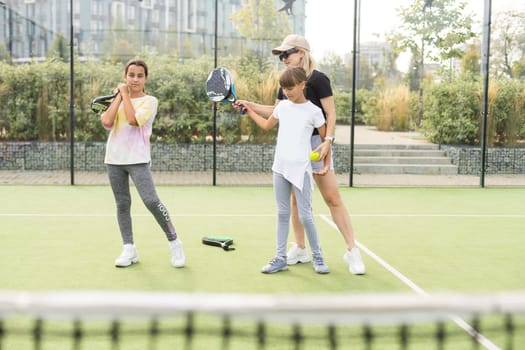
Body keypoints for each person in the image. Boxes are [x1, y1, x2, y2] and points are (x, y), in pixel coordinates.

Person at [235, 34, 365, 275]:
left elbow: (331, 113)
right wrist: (249, 105)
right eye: (281, 56)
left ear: (302, 53)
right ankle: (301, 248)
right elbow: (277, 112)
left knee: (332, 198)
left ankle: (352, 251)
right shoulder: (287, 82)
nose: (283, 59)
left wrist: (327, 143)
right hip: (294, 147)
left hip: (317, 143)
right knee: (295, 201)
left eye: (287, 54)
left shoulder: (318, 79)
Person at [243, 66, 330, 274]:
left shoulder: (315, 112)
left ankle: (318, 258)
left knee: (306, 215)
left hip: (301, 170)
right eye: (283, 88)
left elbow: (325, 143)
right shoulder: (282, 107)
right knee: (283, 213)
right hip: (280, 168)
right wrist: (249, 111)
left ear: (302, 85)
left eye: (290, 88)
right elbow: (266, 126)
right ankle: (280, 258)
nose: (287, 92)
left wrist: (326, 164)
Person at [100, 59, 185, 268]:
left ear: (145, 78)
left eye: (139, 75)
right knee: (122, 204)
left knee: (151, 201)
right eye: (131, 75)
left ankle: (175, 242)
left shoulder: (150, 101)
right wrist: (119, 97)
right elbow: (107, 122)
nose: (135, 79)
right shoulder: (119, 98)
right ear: (125, 76)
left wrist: (124, 95)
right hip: (114, 159)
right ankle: (129, 249)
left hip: (138, 160)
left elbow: (132, 120)